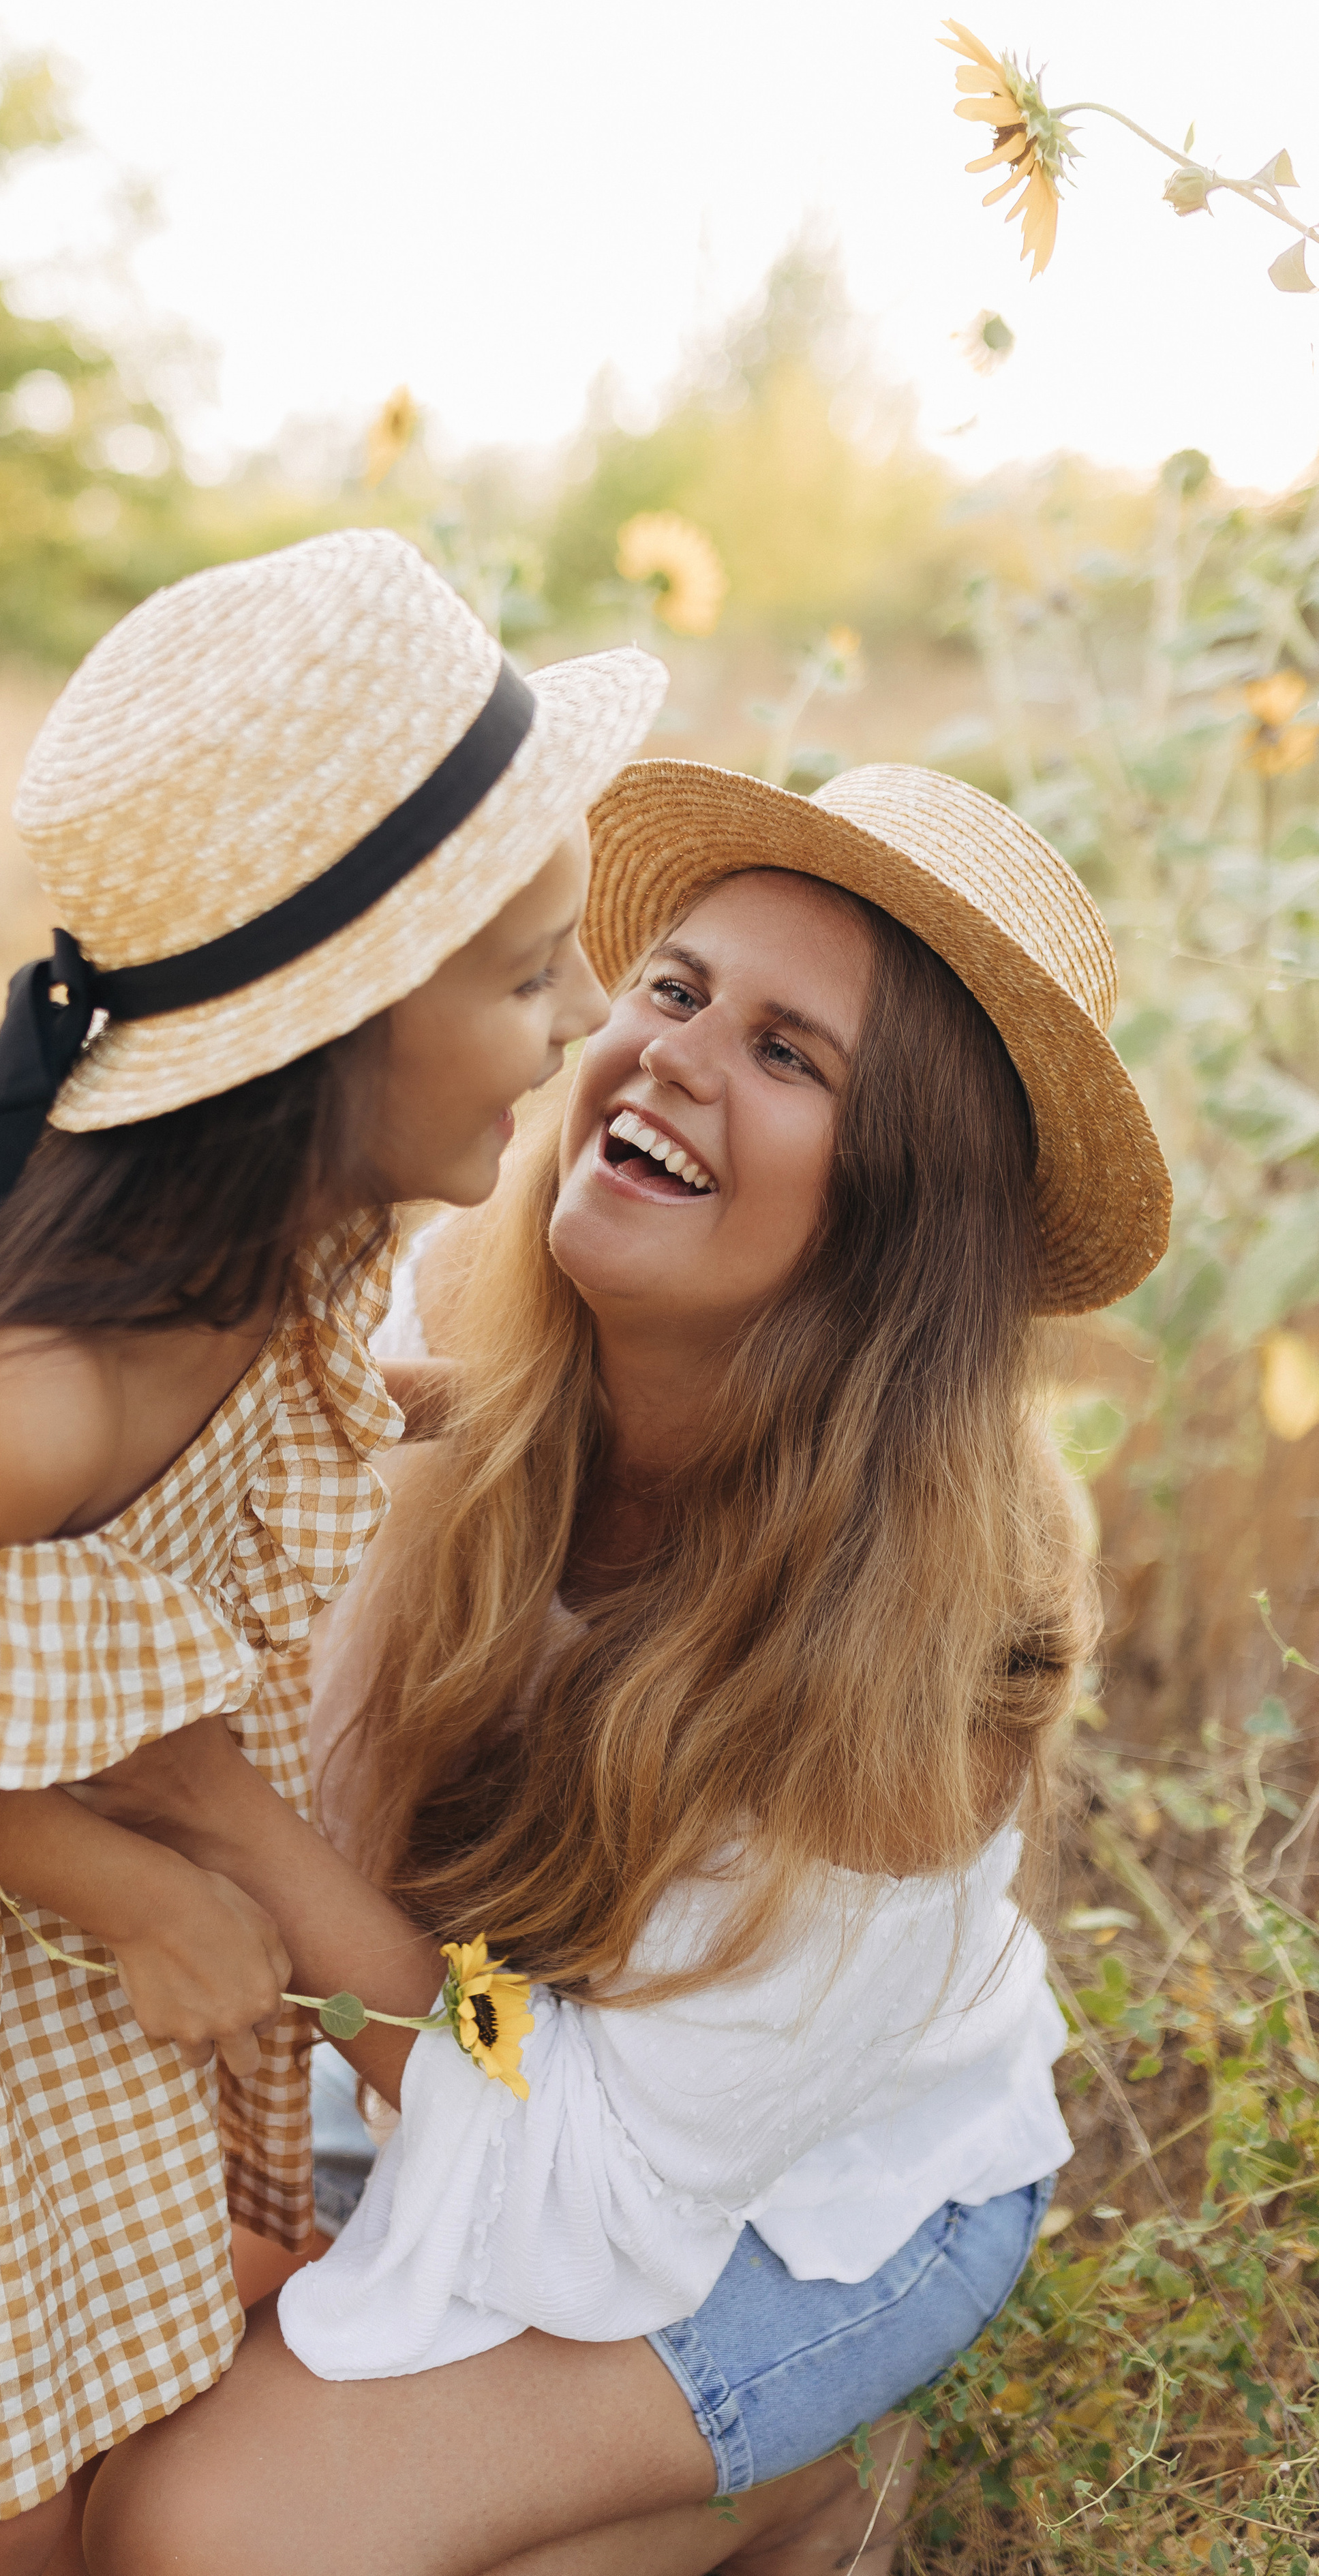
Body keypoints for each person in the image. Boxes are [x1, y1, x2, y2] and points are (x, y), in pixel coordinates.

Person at [0, 528, 665, 2574]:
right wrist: (132, 1884)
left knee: (105, 2392)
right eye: (532, 972)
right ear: (334, 1038)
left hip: (31, 1940)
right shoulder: (33, 1404)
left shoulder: (280, 1259)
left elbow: (297, 1433)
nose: (588, 1015)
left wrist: (507, 1418)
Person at [76, 757, 1172, 2576]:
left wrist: (219, 1818)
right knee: (54, 2402)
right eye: (676, 988)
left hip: (774, 2195)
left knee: (208, 2536)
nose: (669, 1056)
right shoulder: (461, 1309)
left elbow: (598, 2178)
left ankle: (804, 2482)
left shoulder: (920, 1636)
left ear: (900, 1210)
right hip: (494, 2046)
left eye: (788, 1054)